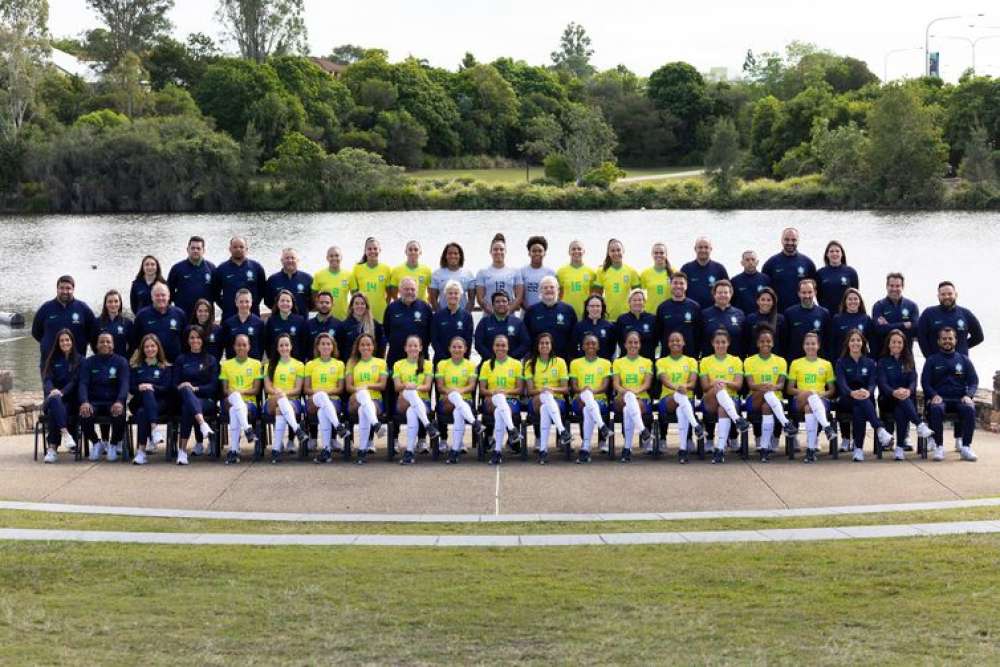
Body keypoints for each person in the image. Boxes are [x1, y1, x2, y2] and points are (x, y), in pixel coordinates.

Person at [835, 329, 895, 462]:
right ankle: (879, 429)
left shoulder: (870, 362)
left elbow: (873, 382)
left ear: (863, 343)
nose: (855, 343)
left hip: (865, 397)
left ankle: (858, 450)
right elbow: (841, 383)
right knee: (860, 404)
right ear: (848, 344)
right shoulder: (841, 362)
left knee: (859, 409)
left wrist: (868, 391)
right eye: (852, 340)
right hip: (847, 399)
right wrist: (851, 392)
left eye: (858, 340)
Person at [921, 327, 979, 462]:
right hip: (940, 399)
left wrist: (968, 395)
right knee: (935, 409)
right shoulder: (931, 360)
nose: (947, 341)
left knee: (970, 409)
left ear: (955, 340)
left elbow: (973, 381)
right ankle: (939, 447)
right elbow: (925, 382)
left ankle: (966, 447)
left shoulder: (964, 360)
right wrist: (933, 395)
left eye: (950, 338)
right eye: (944, 339)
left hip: (959, 399)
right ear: (939, 341)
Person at [877, 329, 934, 461]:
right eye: (894, 342)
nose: (896, 345)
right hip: (888, 400)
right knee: (902, 403)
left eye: (899, 342)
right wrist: (894, 392)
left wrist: (908, 390)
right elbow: (882, 383)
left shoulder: (909, 361)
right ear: (889, 344)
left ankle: (899, 449)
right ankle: (919, 426)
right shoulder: (882, 362)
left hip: (905, 399)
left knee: (901, 410)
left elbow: (913, 380)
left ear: (904, 344)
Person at [744, 326, 797, 462]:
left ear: (772, 343)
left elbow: (781, 385)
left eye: (768, 341)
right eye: (762, 341)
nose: (765, 344)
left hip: (774, 400)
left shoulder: (780, 361)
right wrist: (764, 387)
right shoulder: (749, 361)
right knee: (765, 393)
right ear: (757, 343)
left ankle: (764, 448)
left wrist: (773, 387)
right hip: (754, 399)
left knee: (767, 407)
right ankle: (785, 423)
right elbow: (751, 385)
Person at [699, 330, 750, 464]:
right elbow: (704, 387)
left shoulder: (735, 360)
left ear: (728, 343)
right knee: (718, 388)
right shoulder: (705, 361)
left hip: (730, 400)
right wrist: (715, 384)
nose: (720, 345)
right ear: (712, 344)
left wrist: (724, 382)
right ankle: (737, 419)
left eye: (723, 342)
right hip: (710, 399)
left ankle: (719, 450)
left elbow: (738, 385)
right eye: (717, 342)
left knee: (723, 409)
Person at [787, 332, 839, 462]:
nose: (810, 346)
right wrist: (808, 392)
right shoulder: (796, 363)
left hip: (820, 401)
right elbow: (789, 389)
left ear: (818, 346)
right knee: (810, 394)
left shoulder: (826, 364)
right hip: (799, 400)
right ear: (803, 346)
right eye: (807, 344)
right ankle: (827, 427)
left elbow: (832, 390)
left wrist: (821, 394)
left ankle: (810, 451)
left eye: (813, 344)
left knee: (810, 408)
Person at [78, 332, 129, 462]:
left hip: (113, 401)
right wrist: (84, 402)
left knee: (119, 414)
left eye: (108, 341)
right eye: (101, 341)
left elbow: (124, 384)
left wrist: (119, 401)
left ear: (113, 345)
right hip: (94, 402)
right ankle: (96, 442)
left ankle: (113, 444)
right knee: (84, 414)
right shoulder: (89, 362)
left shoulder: (121, 362)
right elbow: (83, 384)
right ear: (96, 345)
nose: (105, 344)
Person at [523, 333, 572, 464]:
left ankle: (543, 451)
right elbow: (530, 391)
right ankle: (562, 430)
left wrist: (551, 389)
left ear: (551, 345)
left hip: (557, 401)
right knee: (544, 397)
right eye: (541, 343)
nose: (544, 345)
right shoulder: (530, 364)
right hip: (535, 401)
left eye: (547, 343)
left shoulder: (560, 362)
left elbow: (565, 389)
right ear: (537, 346)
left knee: (546, 408)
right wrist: (542, 390)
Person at [655, 331, 704, 464]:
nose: (675, 343)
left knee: (681, 410)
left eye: (678, 340)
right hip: (667, 400)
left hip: (685, 400)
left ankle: (682, 450)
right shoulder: (662, 361)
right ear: (668, 344)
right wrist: (678, 388)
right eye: (672, 340)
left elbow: (693, 383)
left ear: (683, 343)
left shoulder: (691, 361)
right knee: (679, 398)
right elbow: (664, 380)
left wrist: (686, 387)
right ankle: (696, 425)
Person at [435, 336, 483, 465]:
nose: (457, 349)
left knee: (458, 412)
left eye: (460, 347)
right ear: (449, 349)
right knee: (456, 401)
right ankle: (475, 423)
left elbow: (472, 386)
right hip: (445, 401)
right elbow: (440, 387)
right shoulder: (442, 364)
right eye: (454, 347)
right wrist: (452, 393)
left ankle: (455, 451)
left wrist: (457, 392)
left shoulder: (471, 365)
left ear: (466, 349)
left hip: (464, 401)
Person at [393, 335, 440, 465]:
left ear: (420, 348)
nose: (413, 348)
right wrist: (407, 387)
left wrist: (414, 387)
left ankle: (409, 452)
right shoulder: (398, 364)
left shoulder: (427, 364)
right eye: (410, 345)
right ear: (405, 348)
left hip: (422, 402)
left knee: (411, 412)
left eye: (415, 345)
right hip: (402, 401)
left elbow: (427, 387)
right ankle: (427, 425)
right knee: (408, 391)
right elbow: (397, 387)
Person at [174, 325, 218, 462]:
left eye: (198, 337)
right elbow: (174, 384)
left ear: (203, 339)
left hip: (207, 401)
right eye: (192, 338)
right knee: (187, 401)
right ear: (187, 340)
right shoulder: (181, 359)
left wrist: (195, 389)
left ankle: (182, 451)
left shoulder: (210, 359)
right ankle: (202, 423)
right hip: (186, 399)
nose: (195, 340)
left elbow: (213, 386)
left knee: (187, 406)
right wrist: (183, 386)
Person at [129, 334, 174, 465]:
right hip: (138, 401)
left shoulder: (165, 367)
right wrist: (140, 387)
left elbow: (166, 388)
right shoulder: (136, 367)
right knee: (146, 393)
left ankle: (141, 452)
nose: (150, 349)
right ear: (142, 349)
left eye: (152, 346)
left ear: (158, 348)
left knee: (143, 412)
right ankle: (154, 428)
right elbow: (131, 388)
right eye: (147, 347)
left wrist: (151, 386)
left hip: (159, 403)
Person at [478, 335, 524, 465]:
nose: (500, 348)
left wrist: (505, 392)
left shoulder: (516, 364)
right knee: (498, 398)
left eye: (503, 345)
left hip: (511, 400)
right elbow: (482, 390)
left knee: (499, 411)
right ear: (493, 347)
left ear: (508, 347)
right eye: (497, 345)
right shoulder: (486, 365)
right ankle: (512, 430)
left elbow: (520, 389)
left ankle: (497, 452)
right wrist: (494, 392)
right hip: (491, 400)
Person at [264, 333, 309, 463]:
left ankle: (276, 449)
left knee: (280, 409)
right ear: (277, 348)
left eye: (286, 345)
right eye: (281, 345)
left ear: (291, 347)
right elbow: (267, 388)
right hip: (272, 400)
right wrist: (278, 394)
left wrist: (284, 394)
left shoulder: (299, 365)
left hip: (292, 401)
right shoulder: (269, 365)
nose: (284, 348)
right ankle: (296, 429)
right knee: (279, 402)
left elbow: (298, 389)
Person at [304, 333, 349, 463]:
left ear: (333, 347)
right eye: (322, 344)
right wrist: (320, 393)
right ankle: (338, 426)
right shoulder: (310, 364)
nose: (325, 346)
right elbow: (307, 389)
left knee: (322, 411)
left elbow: (340, 389)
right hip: (313, 400)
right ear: (318, 347)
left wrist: (324, 393)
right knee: (321, 397)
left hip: (333, 401)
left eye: (328, 344)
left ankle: (326, 450)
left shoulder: (339, 364)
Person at [32, 275, 95, 366]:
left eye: (68, 288)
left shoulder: (83, 308)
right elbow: (36, 332)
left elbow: (92, 332)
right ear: (57, 289)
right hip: (50, 362)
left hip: (76, 362)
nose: (65, 291)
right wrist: (48, 343)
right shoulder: (45, 308)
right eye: (61, 288)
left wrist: (81, 343)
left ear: (73, 289)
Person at [219, 333, 262, 465]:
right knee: (234, 400)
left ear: (249, 347)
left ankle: (234, 450)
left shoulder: (256, 364)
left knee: (234, 411)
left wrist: (239, 392)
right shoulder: (226, 365)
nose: (241, 347)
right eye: (238, 345)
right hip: (229, 401)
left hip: (249, 404)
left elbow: (256, 390)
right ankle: (247, 429)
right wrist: (236, 394)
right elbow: (225, 390)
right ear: (234, 347)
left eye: (244, 345)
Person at [569, 334, 613, 462]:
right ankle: (602, 426)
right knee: (586, 398)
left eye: (593, 343)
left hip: (600, 400)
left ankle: (586, 447)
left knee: (587, 408)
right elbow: (574, 387)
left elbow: (605, 387)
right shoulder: (575, 363)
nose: (590, 346)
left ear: (598, 346)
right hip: (579, 399)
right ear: (583, 346)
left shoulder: (605, 363)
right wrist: (585, 391)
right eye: (587, 343)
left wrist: (590, 391)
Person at [346, 333, 388, 464]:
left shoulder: (381, 363)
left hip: (375, 401)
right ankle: (376, 425)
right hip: (355, 400)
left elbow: (382, 385)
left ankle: (362, 450)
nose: (365, 347)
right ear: (358, 347)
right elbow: (348, 387)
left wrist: (366, 386)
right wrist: (361, 390)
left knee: (363, 410)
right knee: (363, 396)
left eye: (368, 344)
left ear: (373, 347)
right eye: (362, 344)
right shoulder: (352, 362)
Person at [612, 330, 654, 461]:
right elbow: (616, 385)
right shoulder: (618, 362)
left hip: (641, 399)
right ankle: (643, 430)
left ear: (640, 344)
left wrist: (633, 392)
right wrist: (627, 392)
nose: (633, 345)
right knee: (628, 401)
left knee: (627, 409)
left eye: (636, 342)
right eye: (630, 342)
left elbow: (647, 384)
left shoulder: (647, 362)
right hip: (622, 397)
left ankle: (627, 448)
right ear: (624, 345)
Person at [40, 330, 81, 463]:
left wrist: (62, 392)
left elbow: (75, 381)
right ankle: (65, 433)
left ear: (72, 342)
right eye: (62, 340)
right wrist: (53, 390)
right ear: (58, 343)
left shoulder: (80, 360)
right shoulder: (51, 360)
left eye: (67, 340)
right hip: (52, 398)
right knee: (54, 402)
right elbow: (47, 380)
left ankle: (52, 448)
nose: (65, 343)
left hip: (70, 401)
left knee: (54, 411)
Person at [917, 281, 984, 358]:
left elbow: (979, 337)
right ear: (938, 296)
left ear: (956, 295)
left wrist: (963, 347)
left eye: (949, 294)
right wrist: (930, 357)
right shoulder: (928, 313)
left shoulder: (965, 314)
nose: (946, 297)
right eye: (943, 294)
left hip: (960, 365)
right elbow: (921, 338)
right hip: (936, 364)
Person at [383, 277, 434, 370]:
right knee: (395, 384)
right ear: (400, 290)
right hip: (396, 357)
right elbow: (386, 330)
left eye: (412, 289)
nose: (410, 292)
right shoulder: (392, 308)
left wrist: (420, 347)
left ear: (417, 291)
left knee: (421, 384)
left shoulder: (425, 307)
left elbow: (432, 332)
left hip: (419, 357)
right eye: (406, 289)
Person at [762, 228, 817, 312]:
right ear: (781, 240)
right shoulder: (770, 264)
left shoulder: (808, 263)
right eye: (786, 239)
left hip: (801, 313)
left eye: (793, 240)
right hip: (777, 313)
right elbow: (765, 292)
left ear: (798, 241)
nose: (790, 243)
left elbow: (814, 291)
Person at [212, 236, 266, 322]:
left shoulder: (256, 267)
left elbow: (262, 290)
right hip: (229, 315)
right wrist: (226, 305)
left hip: (252, 314)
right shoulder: (222, 269)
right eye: (235, 247)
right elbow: (215, 293)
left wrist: (252, 303)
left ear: (247, 249)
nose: (238, 249)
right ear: (230, 249)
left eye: (241, 247)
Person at [525, 276, 578, 360]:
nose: (549, 290)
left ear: (558, 290)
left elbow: (574, 337)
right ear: (540, 291)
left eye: (552, 287)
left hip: (563, 360)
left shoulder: (568, 310)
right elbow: (526, 338)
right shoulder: (531, 311)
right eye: (545, 287)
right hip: (538, 360)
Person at [133, 283, 186, 362]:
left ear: (168, 296)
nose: (160, 298)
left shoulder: (179, 314)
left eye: (163, 295)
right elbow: (136, 340)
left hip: (174, 362)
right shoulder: (142, 315)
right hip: (151, 364)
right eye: (157, 295)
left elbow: (185, 338)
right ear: (152, 297)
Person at [654, 272, 702, 359]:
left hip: (689, 356)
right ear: (670, 285)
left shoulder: (694, 307)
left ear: (686, 286)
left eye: (681, 283)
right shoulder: (662, 307)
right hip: (667, 356)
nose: (678, 286)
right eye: (675, 283)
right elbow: (658, 333)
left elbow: (698, 333)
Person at [167, 235, 215, 318]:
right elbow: (169, 292)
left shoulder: (211, 268)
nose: (195, 251)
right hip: (183, 315)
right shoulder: (177, 268)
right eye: (192, 248)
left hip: (205, 316)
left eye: (198, 248)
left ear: (203, 250)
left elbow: (216, 293)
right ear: (187, 249)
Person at [476, 233, 524, 314]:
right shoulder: (482, 272)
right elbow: (480, 298)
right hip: (489, 316)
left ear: (505, 251)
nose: (498, 252)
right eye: (495, 249)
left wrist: (508, 311)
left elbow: (519, 296)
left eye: (501, 249)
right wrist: (492, 313)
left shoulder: (515, 271)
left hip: (509, 316)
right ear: (490, 252)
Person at [784, 279, 831, 361]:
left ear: (815, 292)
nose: (807, 296)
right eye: (804, 293)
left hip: (817, 363)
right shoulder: (789, 313)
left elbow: (827, 341)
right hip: (795, 362)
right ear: (799, 293)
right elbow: (786, 340)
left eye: (810, 292)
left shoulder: (824, 313)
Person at [872, 272, 920, 354]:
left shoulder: (912, 306)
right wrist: (904, 325)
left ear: (902, 287)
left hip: (906, 356)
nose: (894, 289)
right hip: (885, 356)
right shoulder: (879, 306)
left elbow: (915, 330)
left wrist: (888, 326)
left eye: (897, 286)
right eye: (891, 286)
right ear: (886, 286)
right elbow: (880, 330)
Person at [473, 291, 529, 360]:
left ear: (509, 304)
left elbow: (525, 344)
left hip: (512, 364)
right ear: (492, 305)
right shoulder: (484, 322)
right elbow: (478, 344)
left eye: (504, 301)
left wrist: (509, 359)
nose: (501, 304)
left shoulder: (518, 323)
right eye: (497, 302)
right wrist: (492, 359)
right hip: (489, 364)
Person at [593, 239, 639, 321]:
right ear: (609, 253)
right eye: (612, 251)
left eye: (618, 250)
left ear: (623, 251)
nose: (616, 253)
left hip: (627, 317)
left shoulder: (632, 271)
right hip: (608, 317)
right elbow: (597, 297)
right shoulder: (601, 271)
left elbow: (638, 297)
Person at [700, 280, 746, 358]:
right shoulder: (704, 314)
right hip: (710, 363)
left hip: (734, 363)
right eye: (720, 293)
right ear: (714, 294)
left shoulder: (739, 314)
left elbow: (744, 339)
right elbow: (699, 338)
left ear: (731, 294)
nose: (723, 295)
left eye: (726, 292)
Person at [351, 237, 393, 322]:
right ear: (365, 251)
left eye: (375, 249)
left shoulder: (386, 269)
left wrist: (384, 306)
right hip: (363, 312)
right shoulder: (357, 268)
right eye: (369, 249)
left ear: (379, 250)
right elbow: (354, 293)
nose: (372, 251)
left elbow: (389, 294)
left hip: (380, 313)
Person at [680, 237, 729, 309]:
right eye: (700, 247)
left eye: (706, 247)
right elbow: (680, 290)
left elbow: (728, 291)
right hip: (691, 311)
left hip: (714, 313)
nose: (703, 250)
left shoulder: (719, 268)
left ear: (711, 249)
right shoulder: (686, 268)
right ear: (695, 249)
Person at [336, 293, 385, 363]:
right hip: (351, 365)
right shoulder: (343, 326)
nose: (360, 306)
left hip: (370, 365)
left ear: (366, 306)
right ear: (351, 306)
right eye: (356, 303)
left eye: (362, 304)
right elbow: (340, 349)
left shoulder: (375, 325)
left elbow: (380, 347)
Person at [431, 280, 473, 362]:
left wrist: (463, 359)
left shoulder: (467, 316)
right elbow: (434, 340)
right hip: (441, 361)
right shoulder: (437, 316)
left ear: (460, 295)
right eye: (450, 293)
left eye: (456, 293)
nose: (453, 296)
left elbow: (468, 340)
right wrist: (445, 359)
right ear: (445, 295)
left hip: (460, 361)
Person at [265, 247, 313, 317]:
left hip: (302, 322)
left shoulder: (307, 279)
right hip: (279, 322)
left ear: (298, 260)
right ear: (281, 260)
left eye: (293, 258)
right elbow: (268, 302)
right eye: (287, 258)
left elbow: (313, 302)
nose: (290, 260)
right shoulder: (272, 280)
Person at [429, 242, 476, 312]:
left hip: (462, 317)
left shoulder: (468, 274)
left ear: (460, 256)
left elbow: (471, 300)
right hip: (443, 316)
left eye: (456, 253)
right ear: (445, 256)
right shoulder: (437, 274)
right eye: (450, 253)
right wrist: (440, 315)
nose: (453, 256)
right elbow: (433, 299)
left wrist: (465, 315)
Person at [264, 289, 309, 361]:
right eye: (282, 301)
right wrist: (271, 358)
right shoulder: (271, 321)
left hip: (296, 361)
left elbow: (304, 343)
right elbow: (267, 343)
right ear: (277, 303)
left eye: (288, 301)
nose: (285, 303)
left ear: (292, 303)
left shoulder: (300, 320)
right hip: (277, 362)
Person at [220, 289, 265, 360]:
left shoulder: (259, 323)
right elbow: (226, 346)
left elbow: (261, 346)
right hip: (234, 364)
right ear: (236, 302)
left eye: (247, 301)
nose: (244, 305)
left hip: (252, 365)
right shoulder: (228, 323)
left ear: (251, 302)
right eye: (241, 302)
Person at [556, 240, 597, 318]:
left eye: (579, 249)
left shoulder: (591, 272)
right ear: (569, 252)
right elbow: (559, 295)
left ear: (584, 251)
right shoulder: (561, 272)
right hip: (566, 313)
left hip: (585, 314)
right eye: (573, 249)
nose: (576, 251)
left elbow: (593, 294)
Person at [831, 288, 875, 360]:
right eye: (850, 299)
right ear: (845, 301)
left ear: (860, 301)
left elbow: (873, 343)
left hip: (861, 361)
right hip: (842, 361)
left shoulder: (866, 319)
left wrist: (871, 359)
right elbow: (832, 343)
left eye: (855, 299)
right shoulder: (837, 319)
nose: (853, 301)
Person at [816, 241, 859, 314]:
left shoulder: (851, 272)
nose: (834, 254)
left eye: (837, 251)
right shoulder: (820, 273)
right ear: (827, 254)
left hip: (845, 314)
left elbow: (855, 295)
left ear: (842, 254)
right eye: (831, 251)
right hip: (827, 314)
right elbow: (818, 296)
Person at [312, 246, 353, 320]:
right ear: (327, 258)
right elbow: (314, 295)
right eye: (331, 256)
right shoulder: (319, 275)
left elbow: (355, 295)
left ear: (341, 257)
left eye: (337, 255)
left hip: (343, 318)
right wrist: (319, 308)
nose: (334, 258)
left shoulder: (349, 275)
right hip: (326, 318)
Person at [743, 287, 786, 359]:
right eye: (762, 299)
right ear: (757, 301)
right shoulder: (750, 319)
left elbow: (784, 342)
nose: (765, 302)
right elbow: (746, 341)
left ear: (773, 302)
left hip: (775, 361)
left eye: (769, 300)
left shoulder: (780, 319)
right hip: (754, 360)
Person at [615, 288, 657, 360]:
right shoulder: (622, 319)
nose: (637, 302)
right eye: (634, 300)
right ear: (629, 302)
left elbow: (655, 341)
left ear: (644, 302)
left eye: (640, 300)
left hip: (647, 361)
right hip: (627, 361)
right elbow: (620, 341)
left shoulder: (652, 319)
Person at [573, 294, 617, 361]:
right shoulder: (579, 326)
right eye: (592, 306)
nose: (595, 308)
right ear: (587, 308)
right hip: (584, 365)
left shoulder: (609, 327)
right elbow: (573, 348)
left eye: (598, 306)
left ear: (602, 308)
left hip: (603, 365)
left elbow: (612, 349)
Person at [520, 235, 556, 311]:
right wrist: (529, 310)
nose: (537, 253)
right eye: (534, 251)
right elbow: (520, 296)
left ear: (544, 253)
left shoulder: (551, 273)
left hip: (546, 312)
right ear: (529, 253)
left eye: (540, 251)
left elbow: (557, 294)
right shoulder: (522, 272)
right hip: (527, 313)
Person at [94, 289, 133, 358]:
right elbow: (93, 343)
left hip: (121, 363)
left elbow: (133, 345)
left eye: (116, 301)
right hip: (102, 363)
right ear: (105, 304)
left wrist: (126, 358)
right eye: (110, 302)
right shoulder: (97, 322)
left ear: (120, 303)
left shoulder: (127, 323)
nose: (113, 304)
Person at [731, 250, 771, 315]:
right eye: (747, 260)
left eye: (753, 259)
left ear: (757, 262)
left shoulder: (766, 279)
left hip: (760, 317)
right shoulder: (735, 281)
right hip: (742, 318)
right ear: (742, 263)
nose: (750, 262)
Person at [640, 242, 674, 316]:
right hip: (650, 313)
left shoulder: (674, 272)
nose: (659, 255)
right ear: (652, 254)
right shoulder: (645, 273)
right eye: (656, 253)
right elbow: (640, 295)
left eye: (662, 253)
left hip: (668, 313)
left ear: (666, 255)